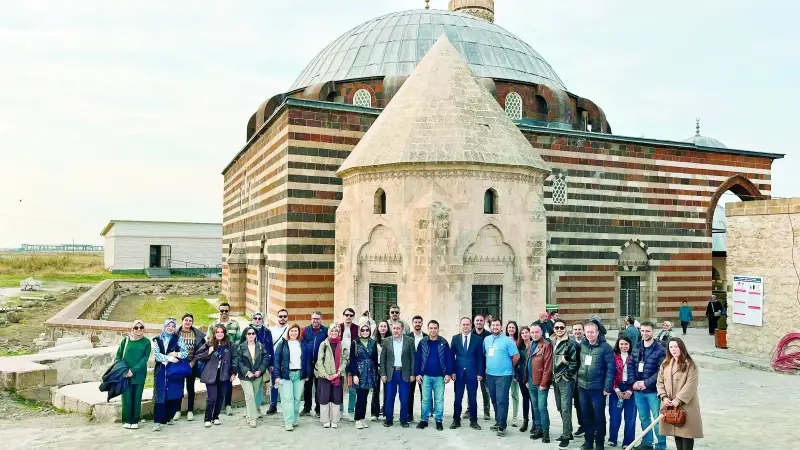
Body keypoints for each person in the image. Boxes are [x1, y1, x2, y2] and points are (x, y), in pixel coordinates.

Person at [657, 338, 703, 450]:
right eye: (671, 347)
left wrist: (678, 399)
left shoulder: (690, 365)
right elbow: (660, 381)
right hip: (670, 404)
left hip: (686, 405)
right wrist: (663, 397)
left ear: (681, 347)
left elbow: (690, 385)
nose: (673, 349)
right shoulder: (666, 363)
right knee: (676, 432)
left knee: (686, 434)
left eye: (676, 346)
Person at [576, 321, 616, 450]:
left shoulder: (606, 348)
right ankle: (588, 441)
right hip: (582, 387)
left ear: (597, 332)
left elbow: (611, 369)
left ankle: (599, 443)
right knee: (586, 415)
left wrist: (607, 387)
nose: (589, 334)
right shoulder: (582, 345)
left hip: (598, 388)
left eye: (592, 332)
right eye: (587, 332)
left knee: (599, 416)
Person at [630, 321, 667, 450]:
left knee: (657, 420)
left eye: (647, 331)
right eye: (642, 331)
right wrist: (633, 382)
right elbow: (630, 366)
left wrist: (646, 383)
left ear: (653, 332)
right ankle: (647, 443)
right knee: (644, 417)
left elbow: (661, 372)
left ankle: (661, 445)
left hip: (653, 391)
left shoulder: (661, 350)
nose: (644, 333)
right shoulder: (637, 347)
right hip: (638, 391)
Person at [483, 319, 520, 436]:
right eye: (493, 325)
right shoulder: (486, 339)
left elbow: (516, 356)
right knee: (494, 399)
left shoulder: (508, 341)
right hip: (489, 374)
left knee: (502, 400)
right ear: (490, 327)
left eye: (497, 325)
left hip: (504, 375)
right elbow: (486, 354)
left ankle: (502, 426)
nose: (495, 327)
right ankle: (498, 421)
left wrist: (508, 366)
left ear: (501, 327)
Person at [413, 320, 452, 431]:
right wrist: (418, 374)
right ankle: (424, 420)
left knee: (439, 400)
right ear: (428, 329)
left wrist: (448, 374)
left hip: (440, 377)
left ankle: (438, 420)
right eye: (431, 328)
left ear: (438, 329)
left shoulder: (443, 342)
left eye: (435, 328)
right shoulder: (423, 342)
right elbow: (418, 359)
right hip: (426, 376)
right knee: (425, 399)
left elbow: (448, 359)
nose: (433, 330)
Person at [151, 318, 188, 431]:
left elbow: (185, 352)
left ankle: (169, 417)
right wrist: (170, 358)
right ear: (164, 326)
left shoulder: (178, 339)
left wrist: (177, 353)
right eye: (168, 326)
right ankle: (157, 421)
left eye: (173, 326)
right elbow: (157, 355)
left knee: (174, 395)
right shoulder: (157, 339)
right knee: (160, 395)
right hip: (161, 371)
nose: (171, 328)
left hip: (175, 372)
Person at [194, 325, 235, 428]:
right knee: (212, 398)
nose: (219, 334)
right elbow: (198, 356)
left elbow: (234, 359)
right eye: (217, 332)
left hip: (224, 374)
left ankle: (216, 417)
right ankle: (207, 418)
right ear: (214, 334)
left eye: (221, 332)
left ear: (224, 333)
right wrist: (208, 352)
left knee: (221, 397)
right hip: (211, 374)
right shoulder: (209, 344)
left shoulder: (230, 345)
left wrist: (233, 373)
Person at [274, 324, 310, 431]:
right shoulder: (282, 344)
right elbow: (276, 361)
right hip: (286, 375)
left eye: (296, 331)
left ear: (299, 332)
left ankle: (295, 419)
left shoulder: (302, 343)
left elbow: (306, 360)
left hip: (299, 374)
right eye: (292, 331)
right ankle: (288, 422)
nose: (294, 333)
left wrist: (307, 374)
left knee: (297, 399)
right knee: (288, 399)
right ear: (288, 332)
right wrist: (276, 376)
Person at [450, 316, 484, 430]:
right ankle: (456, 420)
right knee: (458, 398)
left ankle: (473, 421)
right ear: (461, 326)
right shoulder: (455, 339)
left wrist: (480, 373)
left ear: (471, 326)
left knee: (473, 398)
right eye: (463, 324)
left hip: (472, 374)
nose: (465, 326)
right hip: (458, 374)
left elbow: (480, 358)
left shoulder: (477, 340)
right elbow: (451, 357)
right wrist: (452, 371)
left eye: (467, 324)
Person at [380, 321, 415, 428]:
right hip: (391, 373)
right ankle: (389, 419)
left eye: (398, 328)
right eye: (394, 328)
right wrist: (383, 373)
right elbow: (383, 359)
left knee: (404, 398)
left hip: (405, 373)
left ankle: (403, 420)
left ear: (402, 329)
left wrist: (413, 373)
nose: (396, 330)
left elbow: (413, 358)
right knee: (389, 397)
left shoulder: (409, 341)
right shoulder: (386, 341)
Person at [118, 320, 151, 429]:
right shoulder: (126, 341)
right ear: (132, 329)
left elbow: (144, 359)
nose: (138, 329)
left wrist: (133, 370)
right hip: (125, 373)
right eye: (136, 327)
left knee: (137, 397)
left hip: (139, 374)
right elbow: (118, 357)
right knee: (126, 398)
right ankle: (126, 420)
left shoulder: (146, 342)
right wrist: (124, 370)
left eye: (141, 327)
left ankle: (135, 420)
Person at [208, 303, 240, 416]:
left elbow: (238, 340)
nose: (224, 313)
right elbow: (209, 339)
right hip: (216, 358)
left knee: (228, 383)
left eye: (226, 311)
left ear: (229, 311)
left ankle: (228, 405)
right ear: (219, 311)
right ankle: (217, 406)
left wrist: (231, 350)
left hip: (229, 357)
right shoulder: (213, 324)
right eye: (222, 311)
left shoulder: (235, 325)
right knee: (215, 382)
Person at [315, 323, 349, 428]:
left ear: (339, 332)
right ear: (329, 332)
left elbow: (345, 360)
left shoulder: (342, 344)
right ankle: (325, 420)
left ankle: (335, 420)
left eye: (336, 331)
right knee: (324, 397)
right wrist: (325, 375)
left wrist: (338, 372)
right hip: (325, 376)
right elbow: (319, 361)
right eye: (332, 331)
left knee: (336, 398)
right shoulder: (323, 344)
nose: (334, 333)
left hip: (337, 375)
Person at [240, 312, 273, 418]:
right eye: (255, 318)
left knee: (259, 388)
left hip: (261, 365)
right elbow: (241, 346)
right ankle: (248, 409)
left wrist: (270, 364)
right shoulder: (247, 330)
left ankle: (257, 408)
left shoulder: (267, 332)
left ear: (262, 320)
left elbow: (270, 348)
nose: (257, 320)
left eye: (259, 318)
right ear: (252, 319)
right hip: (248, 365)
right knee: (249, 391)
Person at [234, 325, 268, 427]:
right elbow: (238, 361)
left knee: (252, 396)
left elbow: (265, 359)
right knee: (249, 396)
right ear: (245, 335)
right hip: (245, 377)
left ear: (255, 335)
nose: (251, 335)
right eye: (249, 333)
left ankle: (249, 415)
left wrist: (260, 370)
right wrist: (247, 372)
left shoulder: (260, 346)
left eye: (253, 333)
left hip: (257, 376)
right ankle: (253, 418)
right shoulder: (241, 347)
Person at [552, 319, 578, 449]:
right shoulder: (552, 341)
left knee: (566, 407)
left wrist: (566, 375)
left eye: (561, 327)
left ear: (565, 328)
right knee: (559, 407)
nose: (559, 330)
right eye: (557, 328)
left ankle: (566, 436)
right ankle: (569, 430)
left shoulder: (570, 343)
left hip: (565, 379)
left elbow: (574, 362)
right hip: (555, 379)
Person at [173, 313, 204, 422]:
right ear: (182, 321)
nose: (188, 322)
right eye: (186, 320)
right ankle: (177, 411)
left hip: (192, 365)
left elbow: (200, 351)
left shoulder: (196, 334)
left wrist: (193, 362)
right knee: (179, 387)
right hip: (179, 365)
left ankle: (190, 410)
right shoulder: (176, 334)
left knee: (190, 388)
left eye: (190, 321)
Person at [348, 323, 378, 430]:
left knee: (365, 396)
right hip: (360, 372)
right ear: (360, 331)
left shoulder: (373, 342)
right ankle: (357, 419)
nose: (365, 332)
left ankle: (363, 417)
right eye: (363, 330)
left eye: (367, 330)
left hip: (370, 372)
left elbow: (375, 359)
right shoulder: (355, 343)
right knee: (360, 396)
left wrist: (375, 374)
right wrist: (355, 374)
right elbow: (352, 360)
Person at [527, 323, 553, 443]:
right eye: (532, 332)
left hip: (541, 382)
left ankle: (546, 432)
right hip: (531, 381)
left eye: (536, 332)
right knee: (535, 406)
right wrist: (526, 379)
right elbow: (528, 362)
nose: (534, 334)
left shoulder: (546, 345)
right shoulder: (531, 343)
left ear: (541, 332)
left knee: (542, 407)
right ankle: (538, 429)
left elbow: (548, 366)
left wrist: (544, 383)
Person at [609, 336, 636, 448]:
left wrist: (631, 390)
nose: (624, 346)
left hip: (631, 388)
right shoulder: (613, 357)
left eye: (626, 344)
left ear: (630, 345)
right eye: (621, 344)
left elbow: (638, 375)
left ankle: (628, 441)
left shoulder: (634, 357)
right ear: (618, 345)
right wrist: (616, 389)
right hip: (617, 388)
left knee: (630, 417)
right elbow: (610, 373)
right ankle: (612, 439)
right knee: (615, 416)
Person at [300, 311, 328, 416]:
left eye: (317, 318)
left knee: (319, 386)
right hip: (308, 362)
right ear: (311, 319)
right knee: (307, 386)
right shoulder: (305, 331)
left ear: (321, 319)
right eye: (314, 318)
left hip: (319, 363)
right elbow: (301, 345)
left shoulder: (325, 331)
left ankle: (318, 409)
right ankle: (307, 408)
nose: (315, 320)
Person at [267, 308, 290, 415]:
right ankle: (273, 405)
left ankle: (287, 405)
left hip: (287, 362)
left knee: (287, 384)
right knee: (274, 384)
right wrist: (270, 363)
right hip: (275, 361)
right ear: (277, 317)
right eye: (280, 316)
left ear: (287, 317)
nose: (282, 318)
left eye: (284, 316)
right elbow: (269, 348)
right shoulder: (272, 330)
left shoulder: (291, 329)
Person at [470, 314, 492, 421]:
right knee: (471, 389)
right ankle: (470, 409)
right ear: (474, 322)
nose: (479, 322)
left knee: (485, 390)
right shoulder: (469, 334)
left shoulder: (489, 335)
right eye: (477, 320)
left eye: (481, 320)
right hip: (472, 366)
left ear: (484, 322)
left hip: (485, 366)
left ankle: (486, 411)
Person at [406, 314, 427, 422]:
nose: (417, 324)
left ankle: (425, 415)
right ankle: (409, 414)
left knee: (425, 393)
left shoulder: (427, 337)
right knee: (410, 393)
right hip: (411, 370)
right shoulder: (407, 337)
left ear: (422, 323)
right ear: (412, 323)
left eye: (419, 322)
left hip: (423, 370)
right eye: (416, 322)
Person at [340, 308, 359, 420]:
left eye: (351, 315)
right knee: (340, 388)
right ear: (343, 316)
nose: (348, 317)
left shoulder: (357, 329)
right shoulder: (339, 327)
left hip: (352, 362)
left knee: (352, 388)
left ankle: (351, 410)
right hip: (340, 362)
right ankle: (340, 409)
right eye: (346, 314)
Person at [513, 326, 532, 432]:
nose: (524, 334)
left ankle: (536, 423)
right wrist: (516, 375)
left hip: (532, 377)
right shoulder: (518, 347)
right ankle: (525, 421)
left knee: (533, 400)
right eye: (522, 333)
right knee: (525, 398)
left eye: (526, 332)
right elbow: (516, 362)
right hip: (521, 376)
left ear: (530, 333)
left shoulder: (534, 345)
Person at [371, 320, 391, 421]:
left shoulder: (391, 340)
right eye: (381, 326)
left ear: (387, 328)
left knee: (387, 390)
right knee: (375, 390)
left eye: (385, 326)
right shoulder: (373, 340)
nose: (383, 328)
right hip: (376, 367)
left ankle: (386, 412)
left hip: (387, 368)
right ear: (378, 328)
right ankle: (375, 412)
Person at [504, 321, 523, 427]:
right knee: (503, 394)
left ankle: (515, 417)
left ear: (516, 329)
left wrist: (517, 373)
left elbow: (519, 358)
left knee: (514, 394)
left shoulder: (519, 341)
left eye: (513, 327)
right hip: (504, 370)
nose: (511, 329)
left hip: (514, 370)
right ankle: (503, 416)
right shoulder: (503, 340)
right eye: (509, 327)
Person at [571, 321, 586, 438]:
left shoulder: (587, 343)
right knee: (577, 404)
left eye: (579, 329)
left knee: (587, 405)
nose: (577, 332)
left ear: (583, 331)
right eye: (575, 330)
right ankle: (582, 425)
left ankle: (590, 426)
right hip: (574, 380)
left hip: (586, 379)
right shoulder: (569, 344)